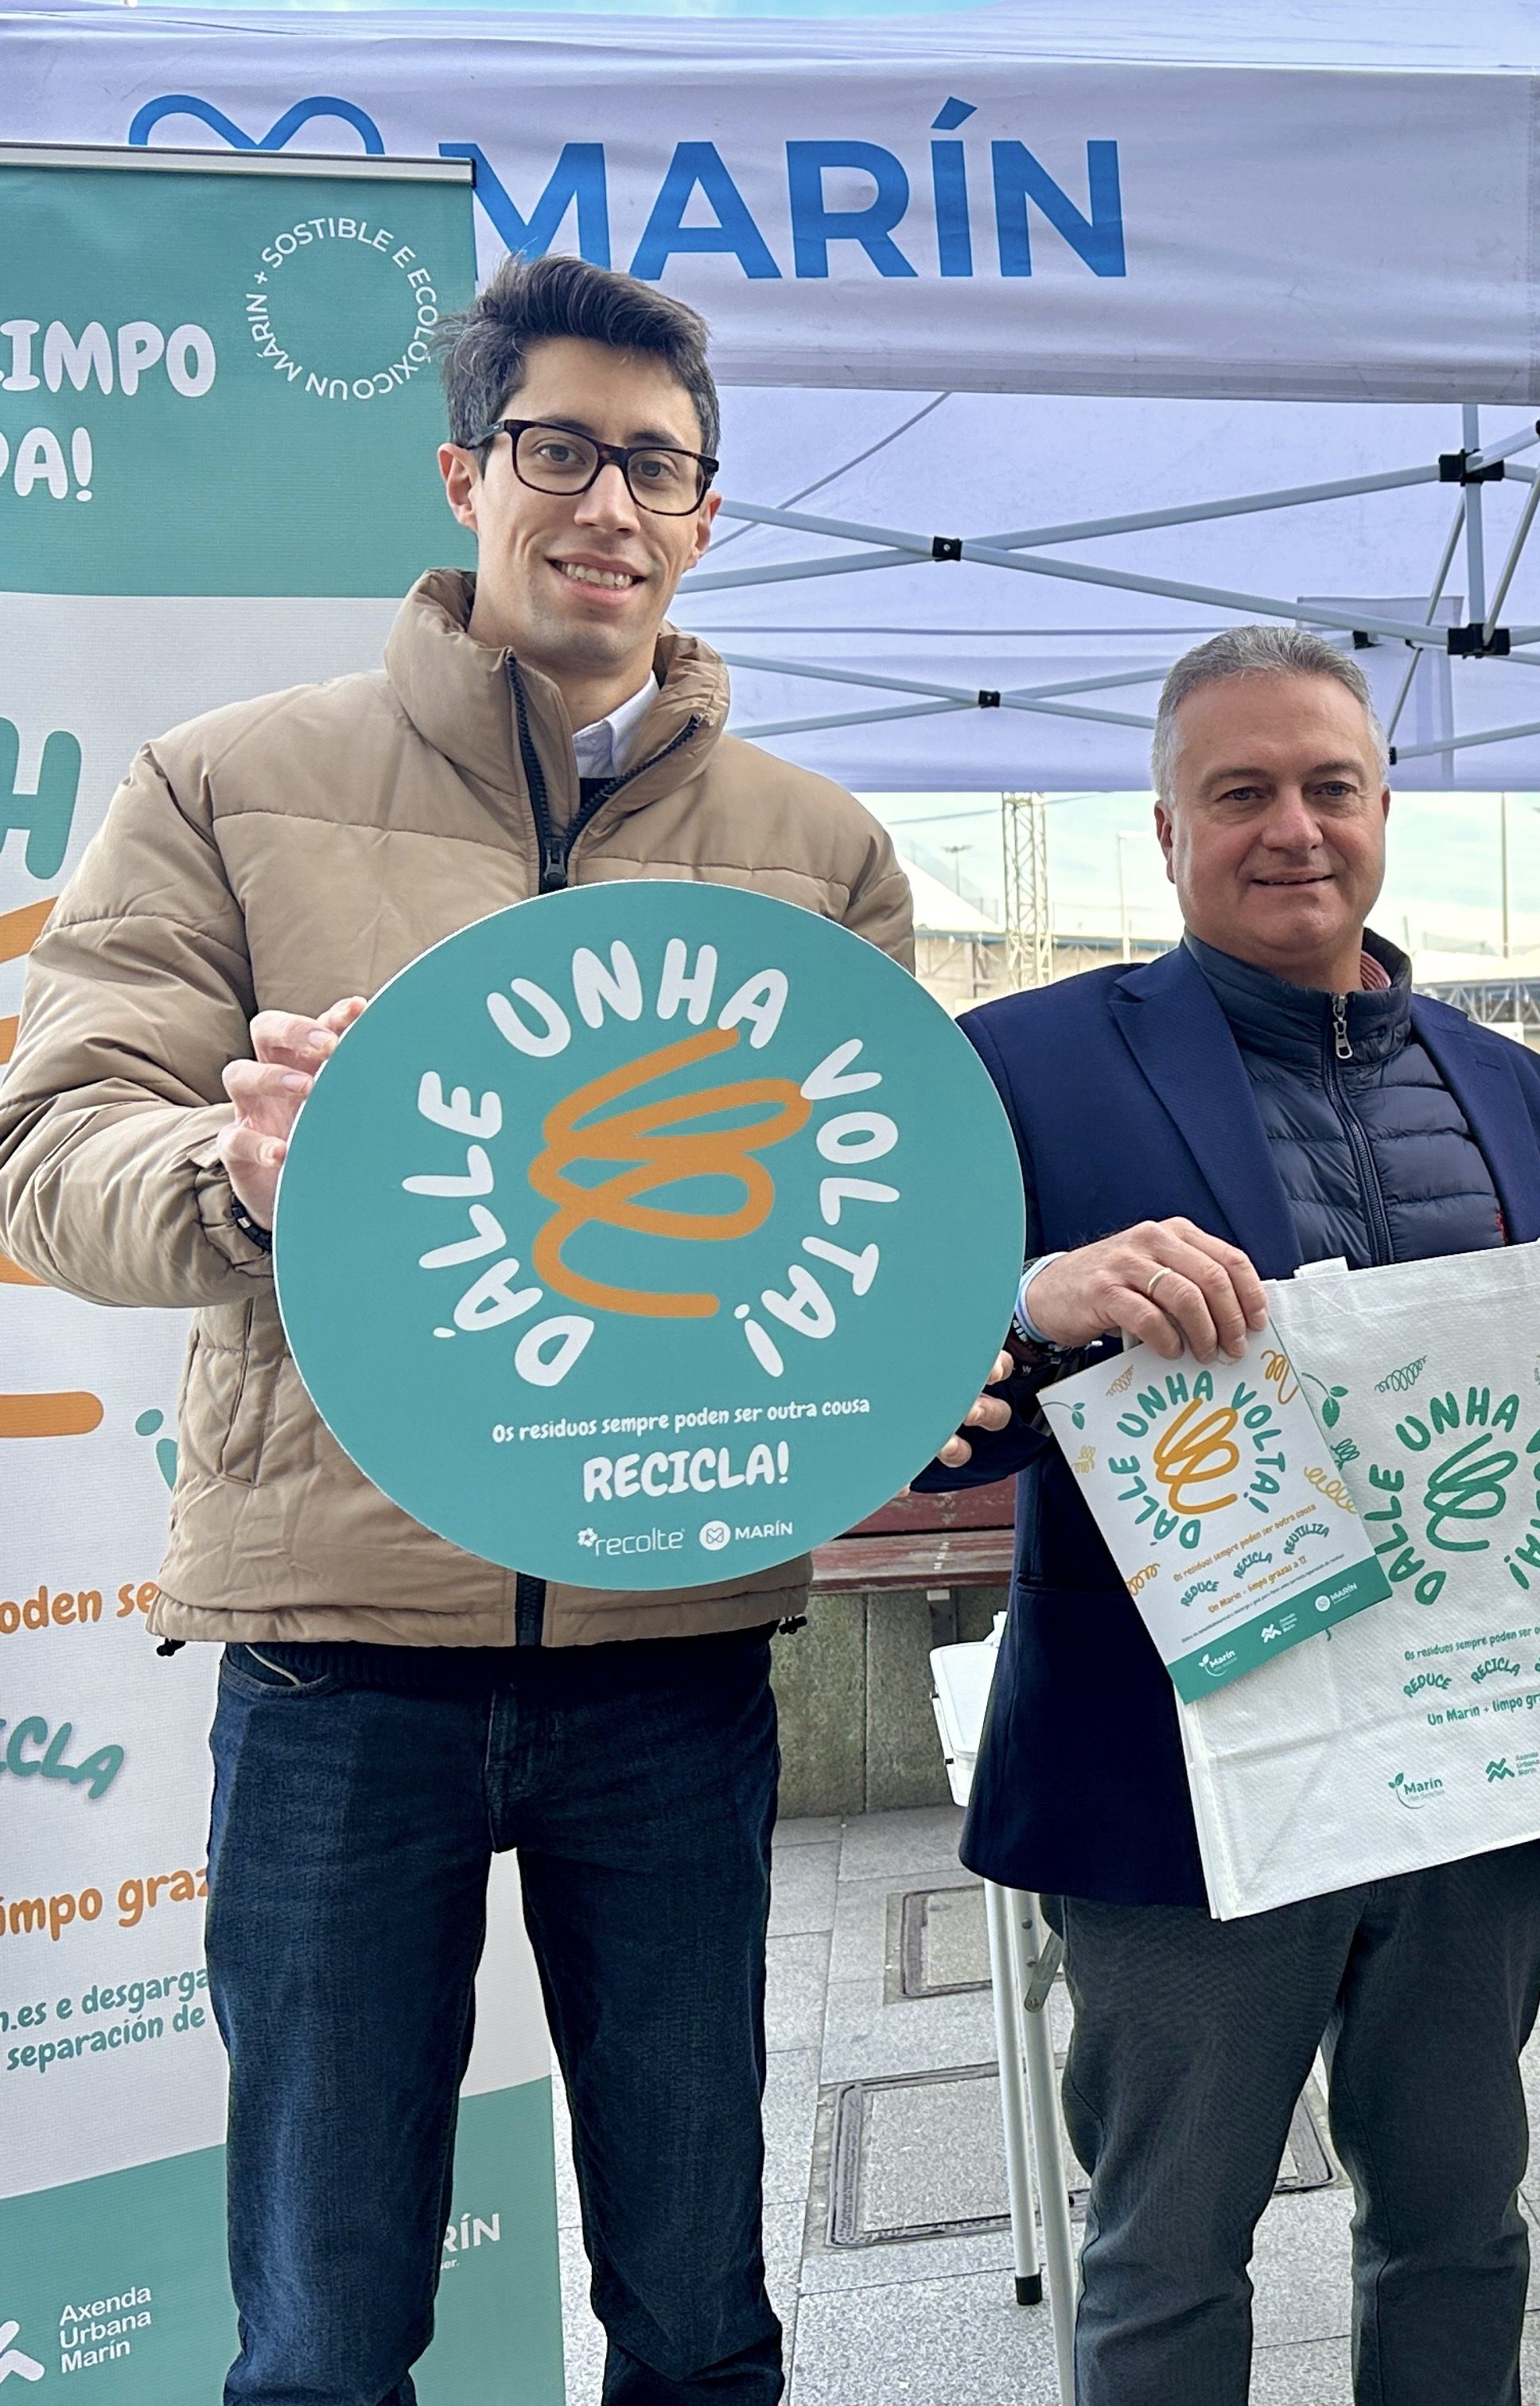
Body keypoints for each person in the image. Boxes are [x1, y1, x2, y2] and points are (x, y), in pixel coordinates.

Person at [0, 254, 908, 2404]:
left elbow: (877, 1221)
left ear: (705, 514)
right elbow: (51, 1152)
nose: (608, 502)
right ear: (465, 473)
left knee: (699, 2308)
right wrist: (237, 1180)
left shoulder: (818, 850)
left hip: (677, 1649)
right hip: (338, 1658)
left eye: (658, 467)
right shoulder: (226, 783)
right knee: (325, 2324)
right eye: (560, 448)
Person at [920, 625, 1540, 2406]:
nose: (1293, 828)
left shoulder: (1529, 1092)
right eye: (1238, 793)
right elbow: (922, 1421)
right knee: (1168, 2254)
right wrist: (1038, 1301)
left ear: (1388, 806)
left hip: (1477, 1770)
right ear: (1162, 833)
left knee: (1462, 2226)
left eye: (1331, 785)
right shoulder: (1015, 1067)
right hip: (1179, 1783)